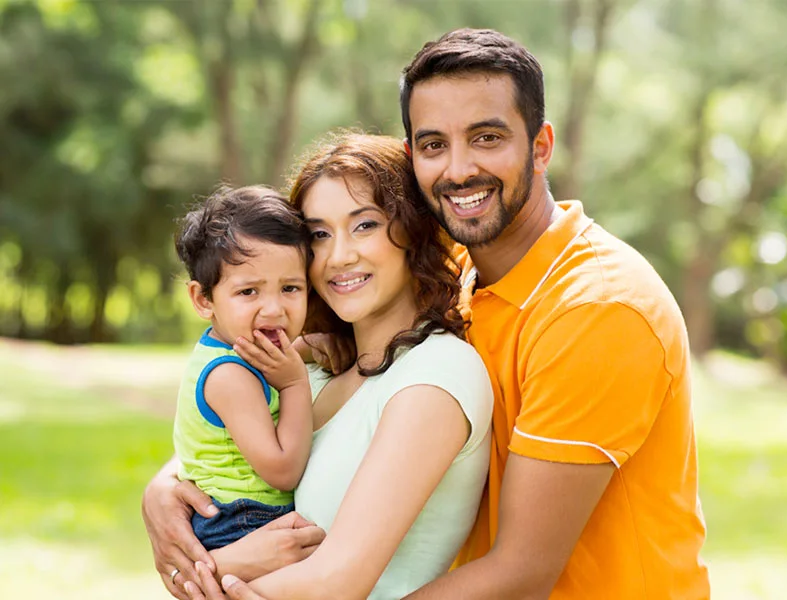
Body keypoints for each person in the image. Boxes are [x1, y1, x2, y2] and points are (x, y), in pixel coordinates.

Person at [182, 28, 711, 600]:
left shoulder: (598, 309)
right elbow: (244, 425)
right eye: (435, 144)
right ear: (414, 160)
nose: (459, 170)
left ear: (540, 146)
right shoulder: (446, 275)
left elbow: (522, 572)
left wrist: (210, 578)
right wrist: (168, 497)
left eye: (487, 137)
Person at [143, 133, 494, 600]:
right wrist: (162, 489)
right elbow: (225, 450)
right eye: (319, 235)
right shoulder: (314, 366)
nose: (338, 256)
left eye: (364, 225)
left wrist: (199, 570)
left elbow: (336, 580)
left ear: (412, 229)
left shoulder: (435, 375)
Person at [171, 185, 314, 552]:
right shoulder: (230, 377)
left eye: (291, 288)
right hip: (241, 523)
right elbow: (283, 472)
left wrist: (309, 349)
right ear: (204, 299)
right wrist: (295, 384)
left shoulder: (236, 350)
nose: (273, 309)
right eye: (249, 292)